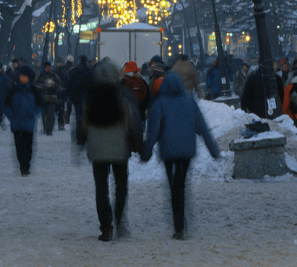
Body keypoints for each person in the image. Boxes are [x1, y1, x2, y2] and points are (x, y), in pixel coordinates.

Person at [140, 71, 221, 239]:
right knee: (181, 185)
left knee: (173, 186)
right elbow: (203, 128)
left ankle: (178, 225)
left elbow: (153, 132)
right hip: (186, 152)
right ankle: (181, 223)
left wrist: (146, 152)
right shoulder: (190, 102)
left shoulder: (159, 104)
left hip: (169, 152)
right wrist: (213, 149)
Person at [76, 60, 142, 241]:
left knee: (101, 188)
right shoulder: (123, 94)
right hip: (119, 147)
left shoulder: (91, 95)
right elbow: (132, 122)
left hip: (97, 148)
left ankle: (106, 227)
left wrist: (80, 143)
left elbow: (83, 122)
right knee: (121, 186)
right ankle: (119, 220)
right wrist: (138, 145)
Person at [7, 65, 42, 175]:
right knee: (19, 146)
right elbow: (6, 105)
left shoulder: (34, 90)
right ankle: (22, 166)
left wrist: (34, 113)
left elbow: (40, 104)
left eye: (25, 77)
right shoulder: (14, 90)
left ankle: (26, 164)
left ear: (29, 78)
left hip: (29, 122)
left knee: (28, 145)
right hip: (16, 122)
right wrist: (11, 116)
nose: (23, 79)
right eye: (21, 76)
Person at [34, 61, 63, 136]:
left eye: (49, 67)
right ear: (44, 68)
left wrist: (53, 86)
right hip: (43, 98)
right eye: (47, 67)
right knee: (44, 115)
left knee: (51, 115)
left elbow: (59, 84)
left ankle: (49, 130)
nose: (49, 69)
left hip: (52, 98)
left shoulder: (54, 75)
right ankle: (45, 128)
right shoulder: (40, 76)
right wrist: (44, 86)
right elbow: (35, 84)